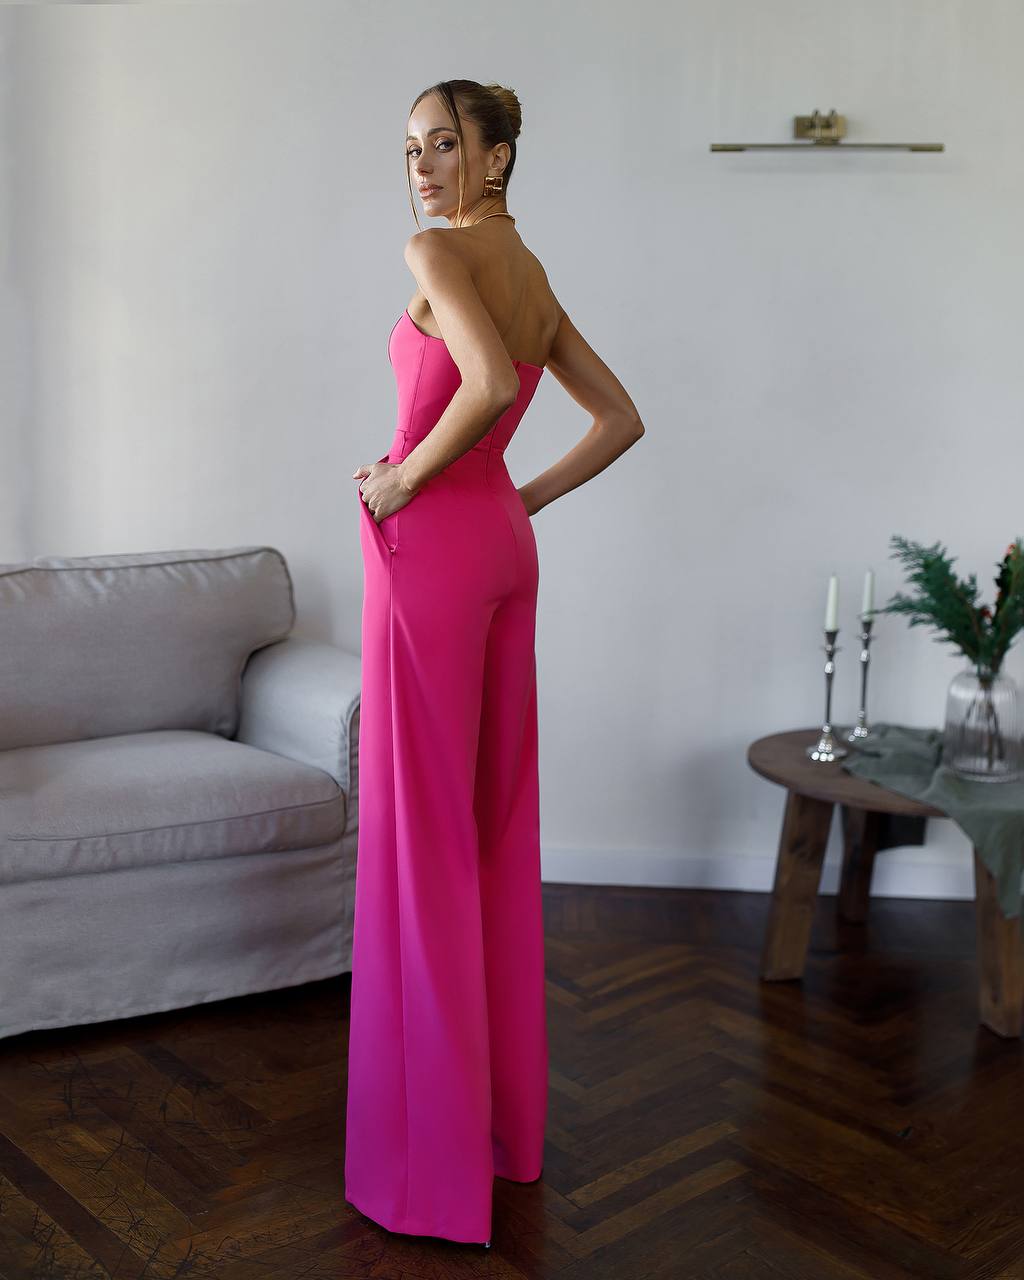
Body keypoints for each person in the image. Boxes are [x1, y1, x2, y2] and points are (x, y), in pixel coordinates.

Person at [344, 78, 645, 1249]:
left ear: (498, 155)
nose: (422, 166)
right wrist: (504, 501)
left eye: (445, 144)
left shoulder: (437, 249)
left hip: (429, 553)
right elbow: (617, 419)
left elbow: (479, 386)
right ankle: (499, 1140)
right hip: (501, 554)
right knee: (488, 822)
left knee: (423, 835)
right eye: (412, 147)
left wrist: (406, 480)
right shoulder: (532, 277)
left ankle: (423, 1169)